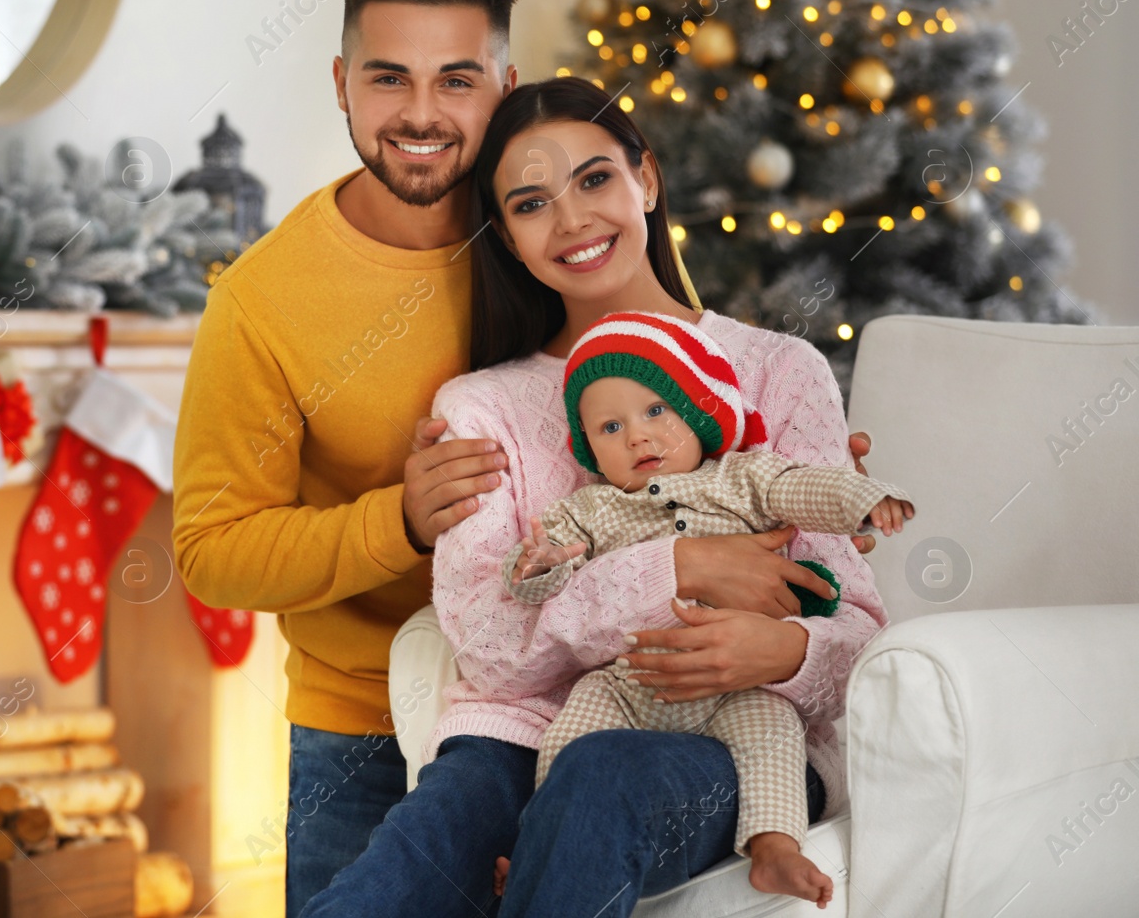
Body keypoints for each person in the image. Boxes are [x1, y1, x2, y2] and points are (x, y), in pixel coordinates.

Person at [299, 74, 889, 918]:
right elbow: (497, 649)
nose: (573, 220)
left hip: (735, 732)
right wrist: (675, 567)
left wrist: (784, 652)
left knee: (603, 775)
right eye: (532, 202)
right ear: (504, 235)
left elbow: (860, 629)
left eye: (595, 179)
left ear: (645, 178)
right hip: (518, 735)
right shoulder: (482, 407)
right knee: (399, 873)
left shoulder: (779, 372)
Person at [170, 0, 523, 918]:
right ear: (339, 82)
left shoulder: (564, 228)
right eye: (388, 78)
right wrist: (396, 522)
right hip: (356, 732)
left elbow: (692, 378)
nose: (421, 114)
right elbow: (211, 549)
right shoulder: (260, 300)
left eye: (457, 79)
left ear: (505, 81)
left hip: (569, 709)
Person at [492, 309, 915, 908]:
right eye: (610, 428)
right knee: (573, 737)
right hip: (631, 684)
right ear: (589, 449)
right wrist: (539, 564)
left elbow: (807, 486)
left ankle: (774, 847)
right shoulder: (597, 509)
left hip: (739, 687)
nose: (637, 436)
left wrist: (863, 502)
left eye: (656, 411)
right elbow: (537, 575)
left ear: (697, 409)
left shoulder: (740, 478)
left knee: (771, 735)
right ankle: (543, 845)